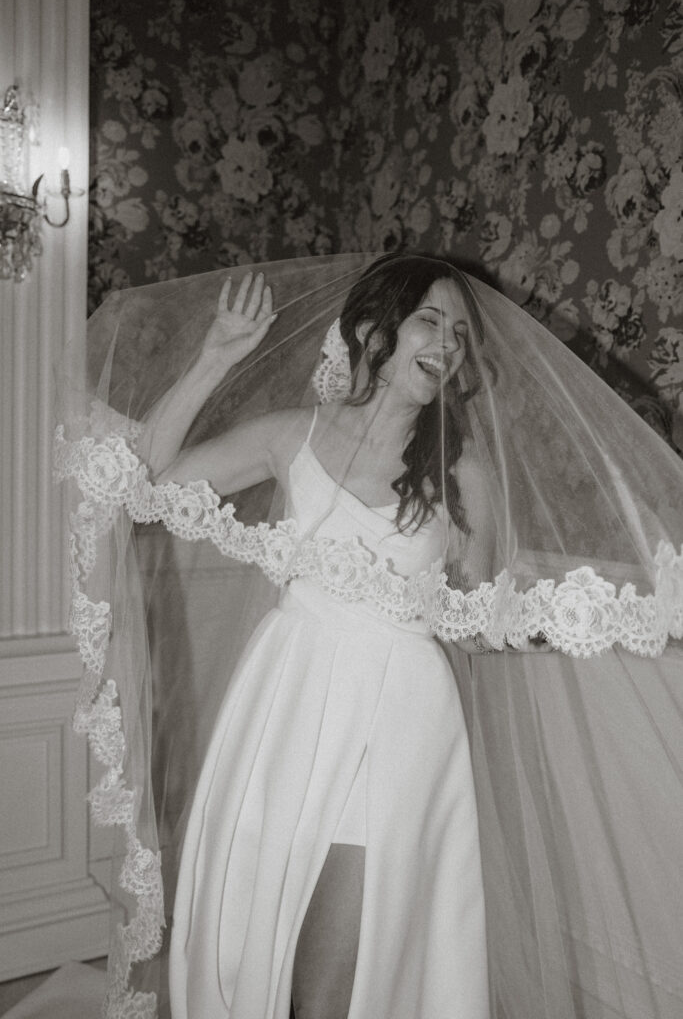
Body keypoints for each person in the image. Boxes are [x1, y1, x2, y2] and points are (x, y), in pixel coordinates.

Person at [55, 252, 683, 1019]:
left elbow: (479, 624)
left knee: (336, 975)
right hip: (283, 702)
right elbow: (140, 483)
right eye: (430, 320)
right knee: (250, 935)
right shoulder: (289, 437)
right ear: (368, 329)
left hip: (401, 722)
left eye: (458, 333)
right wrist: (213, 357)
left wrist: (562, 619)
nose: (447, 343)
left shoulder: (465, 477)